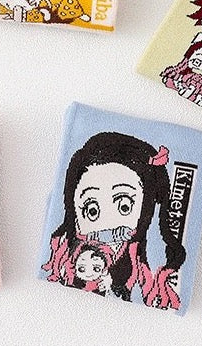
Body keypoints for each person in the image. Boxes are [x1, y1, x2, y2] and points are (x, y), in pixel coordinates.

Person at [42, 132, 186, 310]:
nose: (107, 224)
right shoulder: (67, 254)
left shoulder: (140, 262)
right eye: (92, 210)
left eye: (124, 206)